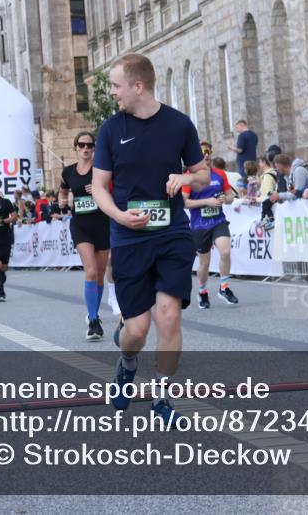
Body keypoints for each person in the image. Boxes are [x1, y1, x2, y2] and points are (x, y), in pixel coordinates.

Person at [91, 53, 209, 422]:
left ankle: (162, 397)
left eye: (116, 85)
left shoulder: (179, 124)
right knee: (136, 331)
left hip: (172, 233)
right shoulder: (111, 129)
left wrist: (187, 179)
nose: (113, 93)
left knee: (169, 315)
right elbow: (98, 187)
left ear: (137, 86)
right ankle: (127, 364)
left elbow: (202, 175)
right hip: (128, 238)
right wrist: (119, 215)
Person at [60, 131, 111, 340]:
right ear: (75, 148)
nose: (85, 148)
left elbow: (114, 192)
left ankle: (94, 313)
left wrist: (100, 190)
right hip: (81, 226)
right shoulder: (68, 172)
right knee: (90, 271)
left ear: (94, 148)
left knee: (99, 275)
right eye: (81, 145)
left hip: (102, 224)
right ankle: (92, 321)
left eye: (89, 145)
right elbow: (63, 191)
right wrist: (62, 201)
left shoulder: (102, 170)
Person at [182, 145, 238, 309]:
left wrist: (225, 199)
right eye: (202, 153)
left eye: (208, 153)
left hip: (218, 221)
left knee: (225, 251)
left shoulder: (219, 174)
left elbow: (230, 196)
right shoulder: (189, 177)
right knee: (204, 263)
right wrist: (206, 202)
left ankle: (224, 287)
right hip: (199, 225)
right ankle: (202, 291)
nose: (206, 156)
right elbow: (184, 202)